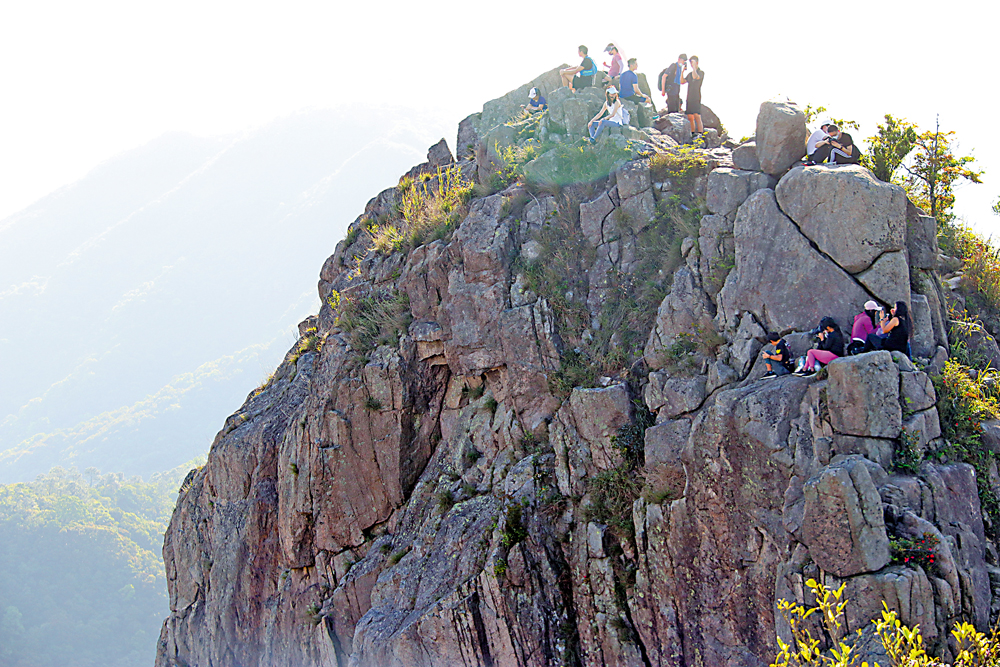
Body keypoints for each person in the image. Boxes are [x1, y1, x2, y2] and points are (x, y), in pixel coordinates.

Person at [684, 56, 705, 134]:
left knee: (697, 115)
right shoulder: (689, 74)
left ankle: (700, 133)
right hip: (689, 96)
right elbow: (682, 81)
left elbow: (695, 77)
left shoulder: (701, 72)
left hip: (696, 96)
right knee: (690, 116)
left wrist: (694, 68)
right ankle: (692, 133)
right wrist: (683, 71)